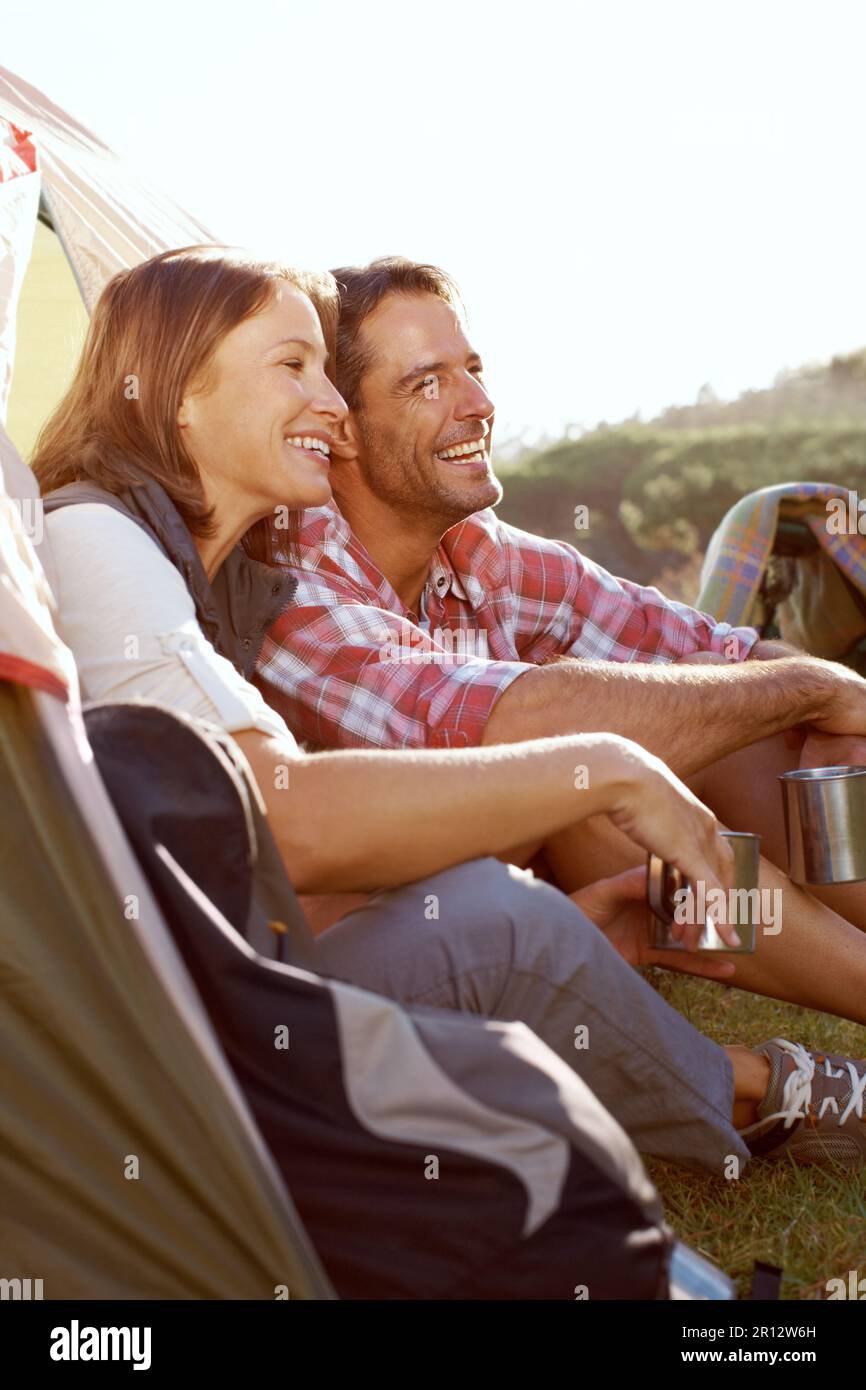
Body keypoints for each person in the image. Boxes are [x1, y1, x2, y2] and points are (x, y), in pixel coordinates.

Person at [33, 245, 866, 1172]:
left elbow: (250, 862)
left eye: (473, 371)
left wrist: (806, 684)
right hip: (159, 1037)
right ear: (180, 392)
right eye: (293, 368)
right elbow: (287, 817)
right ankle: (754, 1087)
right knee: (523, 874)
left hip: (231, 961)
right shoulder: (119, 547)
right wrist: (603, 780)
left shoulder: (222, 574)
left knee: (739, 727)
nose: (330, 409)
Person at [255, 255, 866, 1021]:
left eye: (473, 369)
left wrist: (824, 702)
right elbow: (493, 731)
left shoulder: (482, 551)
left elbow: (706, 645)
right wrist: (810, 684)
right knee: (582, 770)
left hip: (515, 894)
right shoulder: (290, 579)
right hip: (361, 959)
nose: (478, 403)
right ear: (339, 429)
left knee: (730, 700)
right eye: (427, 383)